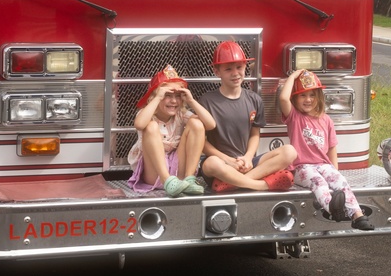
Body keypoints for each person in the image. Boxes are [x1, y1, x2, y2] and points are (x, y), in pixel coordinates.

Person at [278, 68, 375, 231]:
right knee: (319, 182)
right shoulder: (294, 117)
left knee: (341, 182)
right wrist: (293, 76)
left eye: (312, 95)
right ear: (295, 98)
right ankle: (333, 209)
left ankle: (357, 216)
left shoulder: (326, 120)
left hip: (323, 165)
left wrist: (335, 171)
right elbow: (282, 98)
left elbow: (332, 148)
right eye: (302, 95)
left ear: (319, 97)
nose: (308, 99)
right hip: (302, 167)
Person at [199, 41, 296, 192]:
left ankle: (234, 183)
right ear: (217, 72)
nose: (235, 73)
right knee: (211, 163)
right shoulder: (207, 100)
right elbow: (202, 142)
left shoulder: (254, 99)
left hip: (247, 162)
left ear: (246, 67)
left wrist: (248, 157)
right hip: (222, 164)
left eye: (239, 67)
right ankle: (260, 185)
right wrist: (228, 161)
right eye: (228, 69)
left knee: (290, 151)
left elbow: (254, 135)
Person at [127, 64, 216, 197]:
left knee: (197, 124)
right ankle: (167, 181)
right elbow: (139, 124)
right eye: (167, 95)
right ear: (154, 97)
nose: (173, 101)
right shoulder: (148, 114)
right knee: (150, 127)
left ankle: (189, 179)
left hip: (177, 172)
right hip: (155, 173)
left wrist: (191, 101)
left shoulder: (181, 114)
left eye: (178, 95)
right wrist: (158, 97)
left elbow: (210, 124)